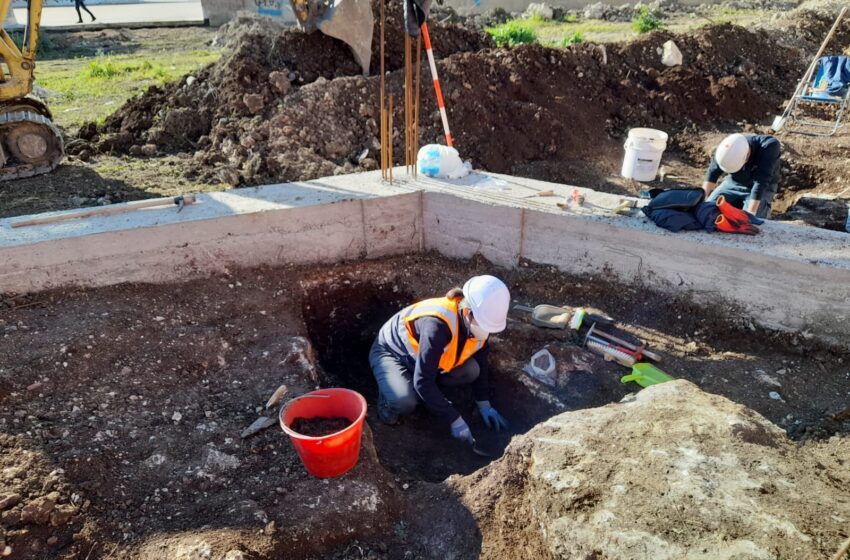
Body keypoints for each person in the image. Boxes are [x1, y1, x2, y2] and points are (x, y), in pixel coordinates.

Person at [368, 275, 511, 445]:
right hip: (392, 353)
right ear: (467, 312)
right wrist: (454, 419)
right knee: (404, 401)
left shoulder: (479, 322)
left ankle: (430, 395)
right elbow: (422, 381)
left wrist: (484, 403)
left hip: (423, 359)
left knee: (471, 370)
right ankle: (387, 404)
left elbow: (480, 360)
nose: (486, 332)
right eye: (484, 325)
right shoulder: (437, 326)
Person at [702, 133, 781, 219]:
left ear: (747, 156)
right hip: (733, 183)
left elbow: (761, 182)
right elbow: (712, 175)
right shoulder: (725, 149)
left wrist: (750, 216)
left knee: (754, 220)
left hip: (763, 187)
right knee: (706, 210)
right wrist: (701, 204)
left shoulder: (769, 146)